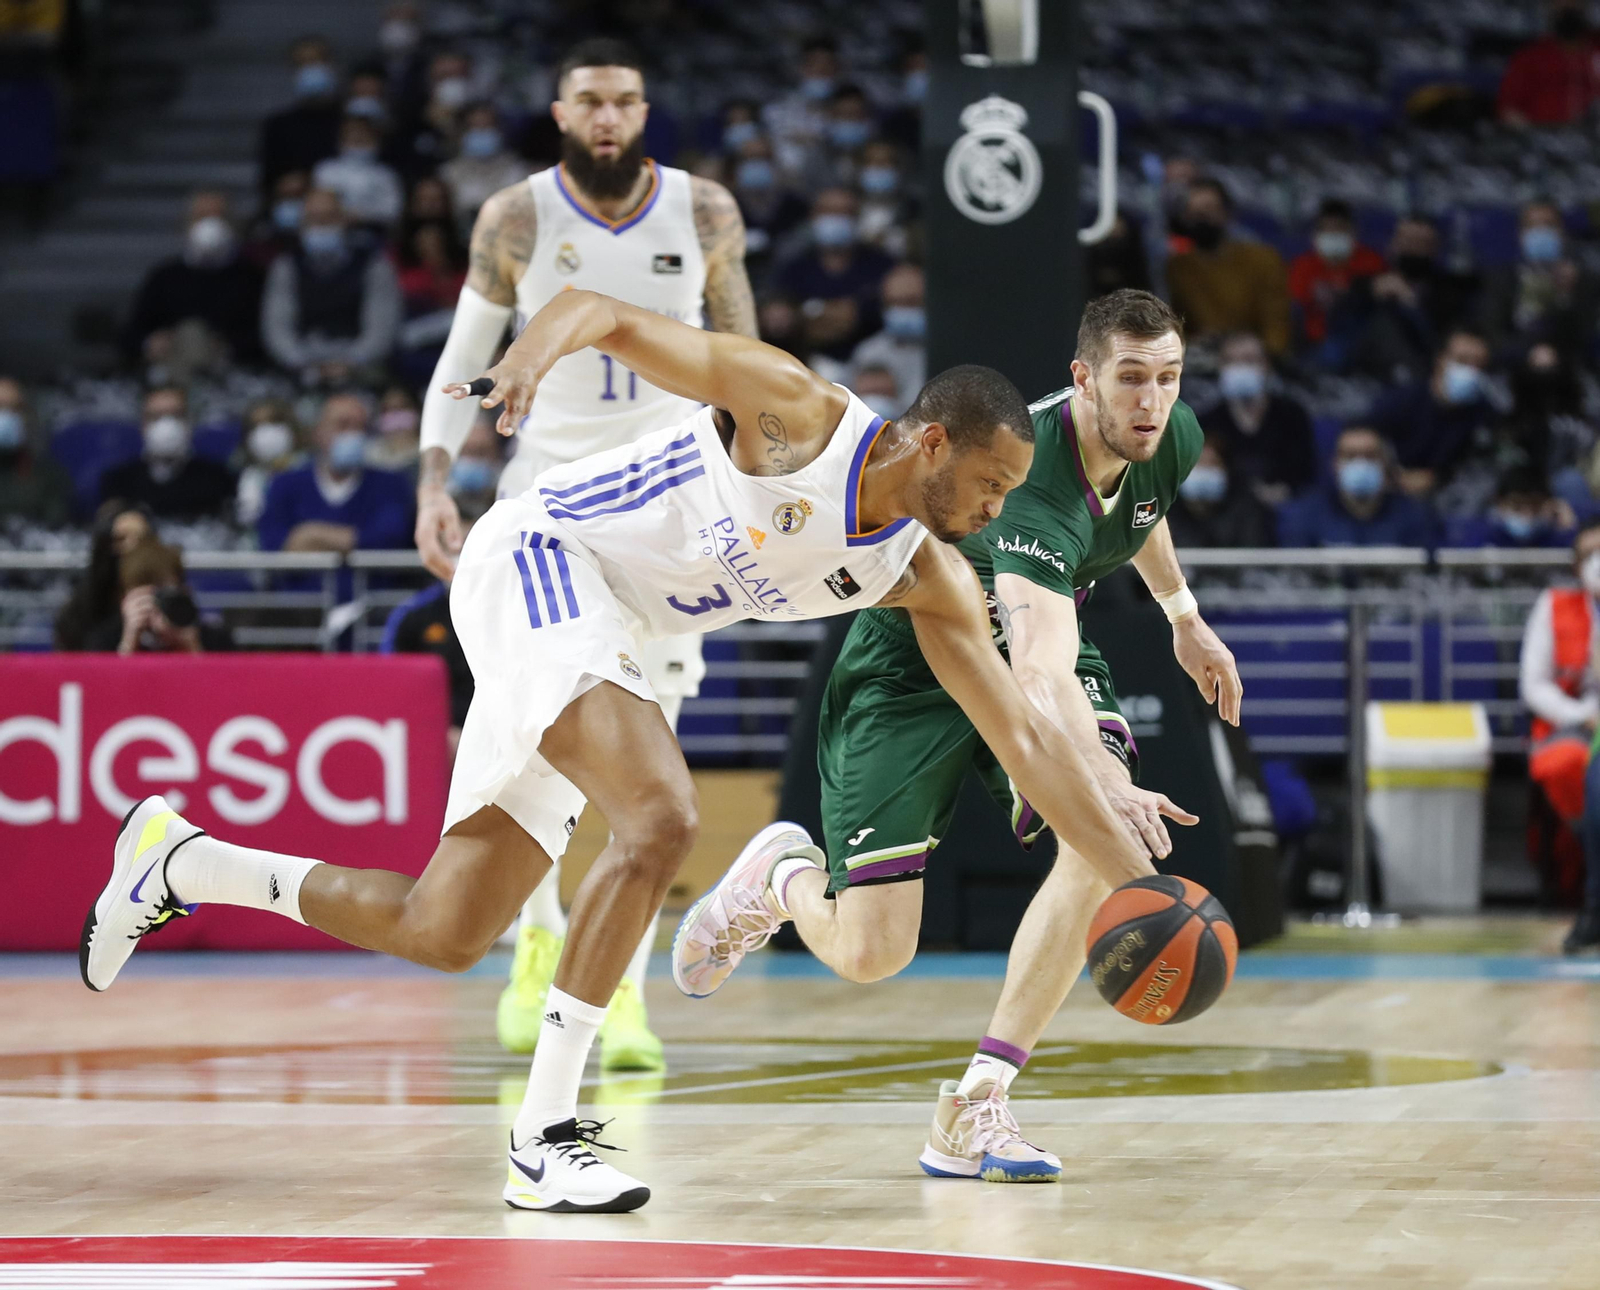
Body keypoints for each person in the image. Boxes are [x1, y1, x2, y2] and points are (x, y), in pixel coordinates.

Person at [81, 288, 1161, 1215]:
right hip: (539, 556)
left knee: (442, 928)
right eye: (989, 483)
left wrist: (1140, 884)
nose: (997, 507)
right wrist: (527, 358)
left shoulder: (925, 575)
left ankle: (183, 862)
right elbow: (602, 312)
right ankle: (545, 1138)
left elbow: (1024, 740)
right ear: (931, 444)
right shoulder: (795, 412)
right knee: (660, 817)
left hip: (604, 632)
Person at [672, 289, 1238, 1183]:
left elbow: (1142, 508)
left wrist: (1183, 614)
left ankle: (978, 1102)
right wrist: (1102, 778)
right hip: (915, 659)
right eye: (1132, 378)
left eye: (1168, 378)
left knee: (1096, 845)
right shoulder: (1035, 482)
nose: (1152, 400)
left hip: (1034, 645)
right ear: (1084, 380)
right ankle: (782, 879)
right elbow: (1041, 676)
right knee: (873, 953)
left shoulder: (1168, 433)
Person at [410, 38, 760, 1070]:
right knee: (532, 749)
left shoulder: (704, 212)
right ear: (561, 114)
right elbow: (461, 359)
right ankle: (535, 946)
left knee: (652, 777)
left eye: (624, 101)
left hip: (670, 519)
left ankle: (624, 993)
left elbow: (745, 363)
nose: (608, 116)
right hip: (545, 513)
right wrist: (434, 483)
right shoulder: (516, 217)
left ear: (644, 112)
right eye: (590, 102)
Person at [382, 420, 503, 760]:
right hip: (434, 746)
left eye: (472, 545)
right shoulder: (413, 618)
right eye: (453, 545)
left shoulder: (515, 610)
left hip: (507, 742)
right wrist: (438, 735)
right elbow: (393, 690)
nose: (462, 555)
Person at [1521, 520, 1600, 954]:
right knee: (1574, 769)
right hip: (1573, 727)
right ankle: (1591, 901)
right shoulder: (1554, 605)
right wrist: (1582, 715)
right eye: (1590, 555)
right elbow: (1533, 684)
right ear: (1576, 565)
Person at [260, 188, 403, 386]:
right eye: (313, 219)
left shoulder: (374, 264)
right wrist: (301, 363)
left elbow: (382, 328)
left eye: (329, 218)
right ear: (301, 224)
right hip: (302, 363)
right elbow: (277, 327)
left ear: (345, 219)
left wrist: (352, 362)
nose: (321, 225)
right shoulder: (286, 265)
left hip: (361, 364)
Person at [256, 392, 413, 558]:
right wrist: (353, 543)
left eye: (360, 427)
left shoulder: (391, 485)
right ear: (318, 431)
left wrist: (311, 535)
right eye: (343, 425)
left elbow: (390, 538)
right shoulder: (285, 484)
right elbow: (272, 544)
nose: (353, 434)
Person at [121, 191, 264, 369]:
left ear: (233, 224)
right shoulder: (165, 277)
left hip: (230, 369)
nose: (210, 225)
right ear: (186, 223)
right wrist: (150, 342)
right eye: (201, 216)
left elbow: (264, 334)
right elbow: (131, 333)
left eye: (219, 216)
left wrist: (227, 346)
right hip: (171, 365)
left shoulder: (251, 278)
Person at [1164, 177, 1291, 356]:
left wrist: (1267, 353)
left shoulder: (1262, 259)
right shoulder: (1177, 268)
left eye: (1208, 209)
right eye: (1193, 212)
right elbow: (1178, 326)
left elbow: (1276, 322)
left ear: (1226, 213)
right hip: (1203, 357)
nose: (1201, 218)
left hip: (1254, 355)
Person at [1366, 329, 1496, 500]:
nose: (1470, 372)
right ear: (1440, 359)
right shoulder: (1400, 401)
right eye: (1462, 361)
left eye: (1478, 365)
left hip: (1443, 497)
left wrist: (1436, 478)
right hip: (1386, 489)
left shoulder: (1483, 415)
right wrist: (1394, 476)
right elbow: (1360, 441)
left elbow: (1474, 467)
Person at [1353, 216, 1481, 385]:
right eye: (1408, 241)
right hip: (1365, 374)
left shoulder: (1450, 292)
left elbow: (1442, 342)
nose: (1414, 249)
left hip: (1421, 374)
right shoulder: (1365, 285)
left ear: (1435, 248)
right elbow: (1341, 329)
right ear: (1393, 244)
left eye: (1422, 243)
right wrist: (1369, 294)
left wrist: (1412, 305)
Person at [1197, 331, 1317, 507]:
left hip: (1284, 506)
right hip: (1228, 509)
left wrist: (1283, 491)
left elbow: (1305, 473)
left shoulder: (1292, 416)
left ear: (1266, 366)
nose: (1239, 368)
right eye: (1231, 361)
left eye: (1249, 360)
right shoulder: (1206, 421)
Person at [776, 187, 895, 363]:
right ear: (813, 217)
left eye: (844, 212)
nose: (835, 219)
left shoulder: (881, 266)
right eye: (828, 212)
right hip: (808, 361)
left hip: (872, 361)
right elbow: (787, 319)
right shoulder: (795, 268)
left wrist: (821, 315)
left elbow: (869, 316)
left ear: (858, 218)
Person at [1477, 200, 1600, 368]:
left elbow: (1586, 337)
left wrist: (1567, 294)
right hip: (1516, 366)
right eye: (1533, 226)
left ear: (1562, 233)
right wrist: (1529, 353)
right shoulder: (1501, 279)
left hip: (1569, 367)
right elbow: (1492, 333)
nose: (1541, 231)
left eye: (1549, 225)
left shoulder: (1586, 281)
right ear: (1521, 235)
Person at [1277, 425, 1436, 547]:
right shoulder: (1304, 515)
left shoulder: (1414, 515)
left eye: (1370, 456)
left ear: (1386, 464)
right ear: (1335, 465)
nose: (1360, 464)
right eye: (1350, 456)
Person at [98, 385, 236, 521]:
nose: (166, 425)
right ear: (143, 424)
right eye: (156, 416)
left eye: (176, 415)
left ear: (190, 421)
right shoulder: (118, 483)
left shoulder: (219, 480)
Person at [1287, 198, 1384, 362]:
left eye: (1339, 229)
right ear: (1315, 235)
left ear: (1353, 232)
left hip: (1362, 340)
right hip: (1315, 343)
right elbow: (1297, 304)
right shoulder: (1303, 266)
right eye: (1326, 230)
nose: (1332, 235)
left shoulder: (1372, 263)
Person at [55, 502, 154, 651]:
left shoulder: (171, 599)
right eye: (121, 539)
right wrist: (128, 642)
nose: (134, 548)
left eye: (143, 539)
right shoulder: (76, 615)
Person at [259, 36, 343, 195]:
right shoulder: (278, 126)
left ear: (331, 65)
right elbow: (268, 182)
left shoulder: (352, 120)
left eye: (317, 61)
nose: (311, 69)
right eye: (303, 63)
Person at [1498, 0, 1600, 127]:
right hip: (1543, 133)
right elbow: (1508, 107)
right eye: (1560, 4)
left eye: (1574, 2)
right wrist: (1530, 131)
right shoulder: (1530, 57)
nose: (1568, 7)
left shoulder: (1595, 48)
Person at [1166, 438, 1277, 548]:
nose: (1205, 471)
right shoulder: (1164, 511)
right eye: (1197, 463)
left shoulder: (1247, 510)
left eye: (1212, 463)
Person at [439, 102, 528, 228]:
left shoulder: (517, 171)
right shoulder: (448, 174)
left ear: (499, 130)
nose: (481, 132)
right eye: (475, 127)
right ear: (462, 132)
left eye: (487, 127)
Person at [0, 375, 71, 530]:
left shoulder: (49, 476)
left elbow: (55, 526)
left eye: (14, 409)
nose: (5, 417)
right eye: (0, 408)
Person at [311, 115, 405, 230]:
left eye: (362, 138)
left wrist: (361, 215)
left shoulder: (387, 174)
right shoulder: (326, 169)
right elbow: (317, 205)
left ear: (376, 139)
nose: (357, 140)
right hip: (330, 229)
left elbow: (393, 210)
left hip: (373, 231)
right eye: (352, 138)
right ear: (341, 140)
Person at [849, 261, 925, 398]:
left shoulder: (950, 350)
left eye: (910, 302)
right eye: (894, 302)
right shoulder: (868, 352)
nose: (902, 310)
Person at [1448, 469, 1575, 548]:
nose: (1526, 514)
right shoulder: (1477, 536)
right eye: (1517, 505)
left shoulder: (1553, 538)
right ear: (1498, 502)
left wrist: (1568, 527)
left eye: (1534, 506)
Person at [234, 398, 302, 526]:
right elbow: (247, 519)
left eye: (273, 422)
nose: (266, 432)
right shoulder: (251, 476)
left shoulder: (309, 467)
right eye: (256, 426)